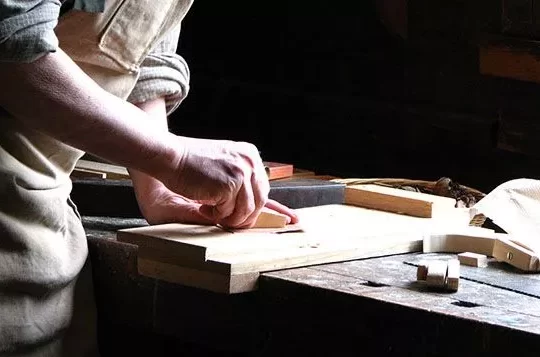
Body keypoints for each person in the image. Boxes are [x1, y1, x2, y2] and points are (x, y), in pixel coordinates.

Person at [0, 0, 298, 355]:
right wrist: (174, 157)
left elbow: (142, 47)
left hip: (45, 225)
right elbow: (13, 42)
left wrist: (157, 184)